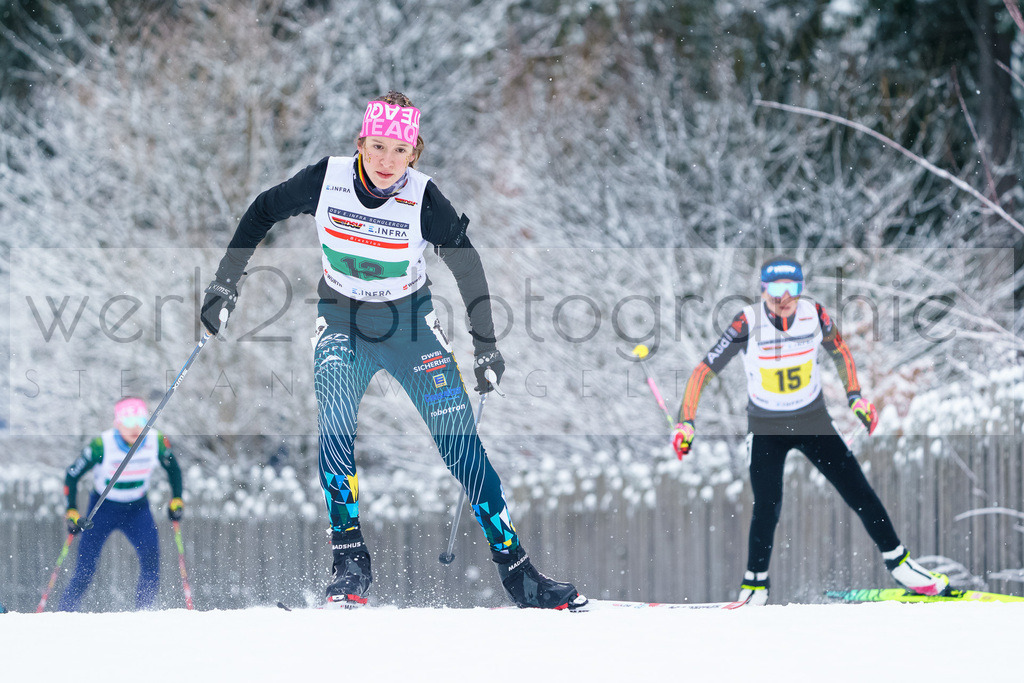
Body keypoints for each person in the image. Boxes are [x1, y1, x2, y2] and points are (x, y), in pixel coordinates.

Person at [199, 91, 584, 609]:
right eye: (377, 146)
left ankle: (519, 574)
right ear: (361, 143)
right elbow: (262, 211)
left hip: (410, 329)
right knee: (334, 428)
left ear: (414, 153)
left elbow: (467, 266)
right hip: (342, 323)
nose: (385, 161)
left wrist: (486, 347)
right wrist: (226, 283)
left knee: (462, 448)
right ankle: (350, 563)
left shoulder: (423, 200)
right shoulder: (327, 180)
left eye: (398, 151)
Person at [672, 256, 948, 605]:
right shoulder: (747, 322)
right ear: (763, 290)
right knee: (767, 504)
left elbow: (841, 351)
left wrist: (856, 398)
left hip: (812, 421)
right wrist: (686, 421)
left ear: (800, 290)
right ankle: (754, 585)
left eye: (791, 289)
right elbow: (703, 370)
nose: (782, 297)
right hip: (766, 426)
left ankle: (901, 565)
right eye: (775, 288)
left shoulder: (814, 314)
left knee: (857, 490)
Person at [58, 397, 184, 611]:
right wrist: (71, 510)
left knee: (152, 560)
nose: (135, 427)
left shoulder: (156, 440)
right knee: (85, 569)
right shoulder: (102, 444)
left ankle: (143, 613)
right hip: (102, 509)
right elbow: (72, 475)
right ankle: (64, 614)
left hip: (137, 509)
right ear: (117, 423)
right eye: (128, 421)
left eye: (141, 421)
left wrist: (177, 499)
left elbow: (174, 470)